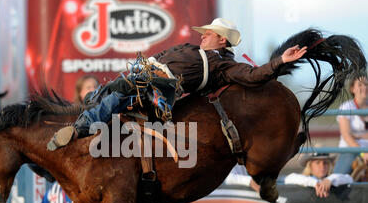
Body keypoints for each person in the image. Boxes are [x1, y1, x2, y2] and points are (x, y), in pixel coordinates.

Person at [47, 17, 307, 150]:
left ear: (222, 40)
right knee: (108, 90)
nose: (203, 35)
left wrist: (281, 60)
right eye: (205, 32)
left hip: (162, 94)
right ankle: (74, 121)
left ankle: (80, 129)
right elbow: (156, 58)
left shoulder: (222, 65)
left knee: (119, 95)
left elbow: (253, 75)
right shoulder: (187, 47)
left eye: (210, 33)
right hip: (144, 76)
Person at [333, 75, 368, 174]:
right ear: (352, 88)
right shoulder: (346, 107)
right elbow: (346, 135)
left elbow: (350, 134)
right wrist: (362, 152)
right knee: (338, 179)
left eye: (366, 84)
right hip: (351, 150)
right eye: (360, 85)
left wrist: (357, 135)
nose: (364, 87)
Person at [284, 152, 353, 198]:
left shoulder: (332, 179)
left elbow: (349, 179)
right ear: (310, 166)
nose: (322, 166)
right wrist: (315, 183)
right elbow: (288, 178)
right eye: (317, 163)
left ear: (329, 165)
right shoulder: (304, 179)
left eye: (325, 163)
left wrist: (329, 180)